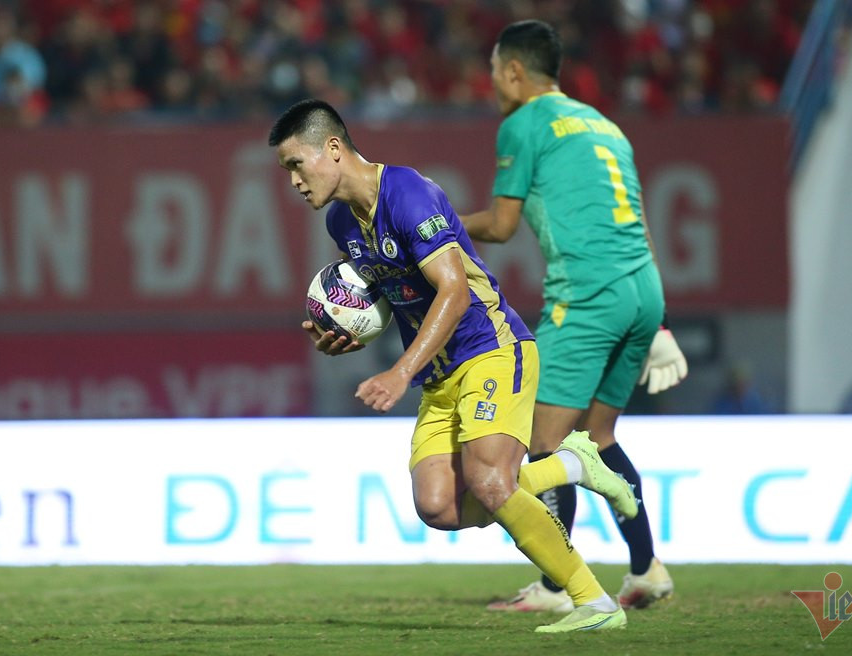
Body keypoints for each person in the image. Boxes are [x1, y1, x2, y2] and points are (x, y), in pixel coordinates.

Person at [268, 99, 640, 633]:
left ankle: (595, 604)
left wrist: (400, 372)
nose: (294, 182)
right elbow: (390, 296)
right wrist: (347, 335)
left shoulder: (408, 193)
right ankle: (570, 466)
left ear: (332, 148)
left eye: (296, 165)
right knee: (438, 508)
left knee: (489, 483)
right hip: (441, 376)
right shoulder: (340, 222)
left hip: (493, 348)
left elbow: (454, 291)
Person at [461, 20, 688, 613]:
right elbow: (638, 224)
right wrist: (660, 322)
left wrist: (435, 229)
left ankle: (558, 587)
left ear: (515, 71)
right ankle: (647, 569)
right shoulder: (605, 126)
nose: (492, 83)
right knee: (599, 438)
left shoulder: (524, 123)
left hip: (588, 295)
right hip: (643, 290)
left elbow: (502, 226)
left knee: (544, 441)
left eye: (494, 71)